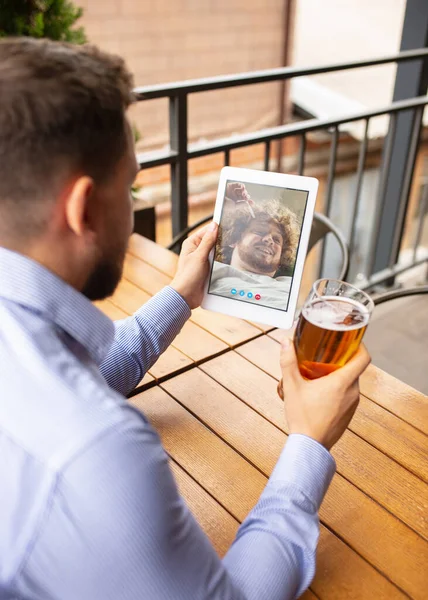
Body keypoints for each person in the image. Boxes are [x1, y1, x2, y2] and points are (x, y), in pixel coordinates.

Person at [0, 38, 371, 600]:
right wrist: (309, 441)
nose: (133, 204)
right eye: (129, 185)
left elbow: (94, 373)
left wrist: (181, 295)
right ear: (83, 209)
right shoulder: (97, 453)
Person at [210, 183, 300, 308]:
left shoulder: (292, 287)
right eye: (260, 232)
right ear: (233, 239)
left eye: (277, 239)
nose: (269, 240)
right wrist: (225, 199)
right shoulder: (211, 273)